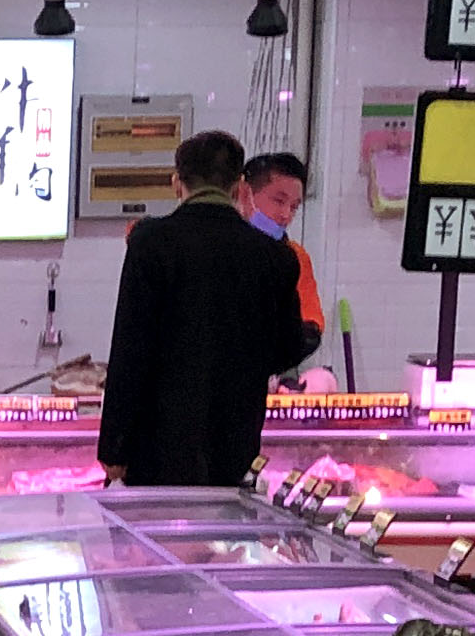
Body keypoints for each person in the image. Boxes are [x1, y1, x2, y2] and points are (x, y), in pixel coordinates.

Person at [99, 129, 313, 486]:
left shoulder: (150, 244)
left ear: (177, 183)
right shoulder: (274, 256)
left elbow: (130, 350)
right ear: (237, 188)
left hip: (156, 449)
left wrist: (114, 448)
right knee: (221, 541)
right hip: (234, 447)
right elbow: (286, 350)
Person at [241, 148, 328, 363]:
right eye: (279, 201)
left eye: (294, 207)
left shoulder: (296, 257)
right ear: (245, 194)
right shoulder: (215, 249)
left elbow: (312, 324)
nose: (286, 215)